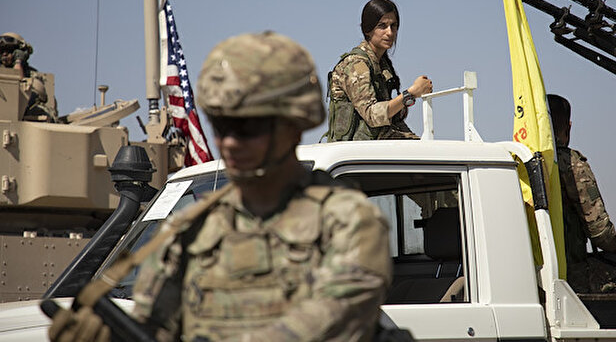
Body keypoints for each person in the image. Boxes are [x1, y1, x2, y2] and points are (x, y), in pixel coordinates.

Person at [48, 32, 393, 341]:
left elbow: (330, 323)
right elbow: (155, 323)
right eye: (221, 125)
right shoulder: (194, 229)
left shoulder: (348, 223)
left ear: (290, 126)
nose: (228, 142)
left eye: (245, 128)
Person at [547, 94, 616, 292]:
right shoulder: (571, 164)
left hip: (529, 270)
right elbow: (600, 230)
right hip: (567, 274)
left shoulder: (519, 161)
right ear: (568, 127)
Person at [326, 0, 432, 141]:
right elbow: (372, 115)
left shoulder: (381, 64)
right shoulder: (356, 64)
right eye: (382, 26)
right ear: (368, 30)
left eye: (393, 26)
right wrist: (411, 93)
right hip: (357, 150)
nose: (389, 32)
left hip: (377, 143)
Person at [0, 32, 58, 122]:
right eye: (2, 51)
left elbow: (18, 86)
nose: (4, 54)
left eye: (9, 50)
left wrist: (18, 62)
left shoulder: (33, 76)